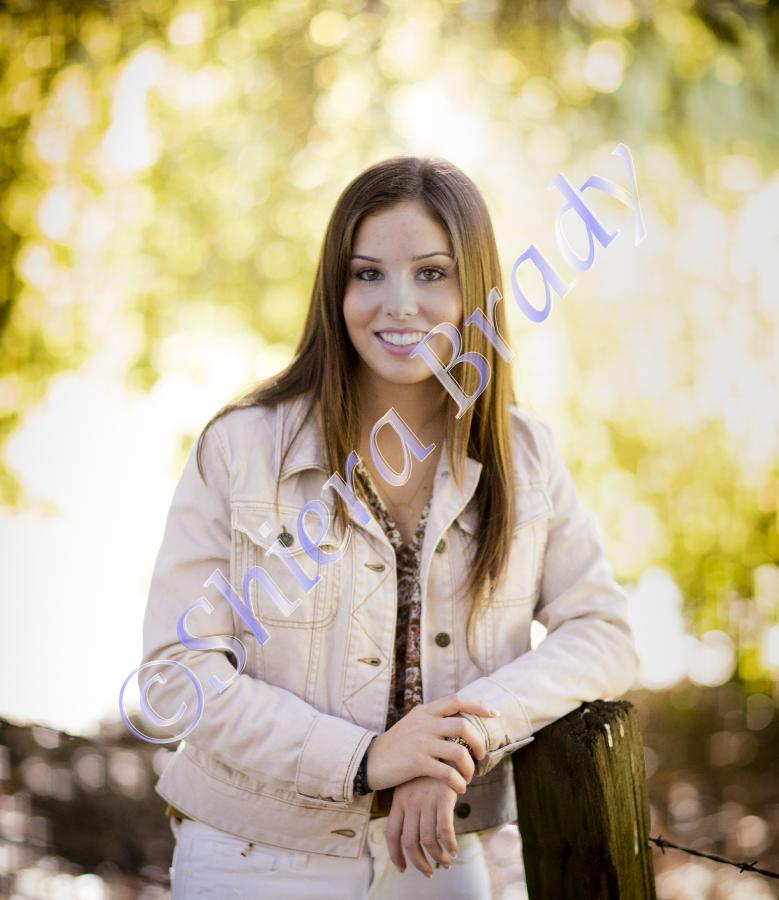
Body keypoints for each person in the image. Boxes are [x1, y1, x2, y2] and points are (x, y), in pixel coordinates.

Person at [138, 155, 640, 898]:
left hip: (435, 850)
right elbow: (178, 673)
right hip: (255, 855)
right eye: (367, 274)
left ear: (474, 287)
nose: (399, 306)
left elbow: (603, 634)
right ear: (335, 290)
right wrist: (368, 759)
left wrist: (458, 741)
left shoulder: (524, 456)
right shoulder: (241, 448)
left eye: (432, 273)